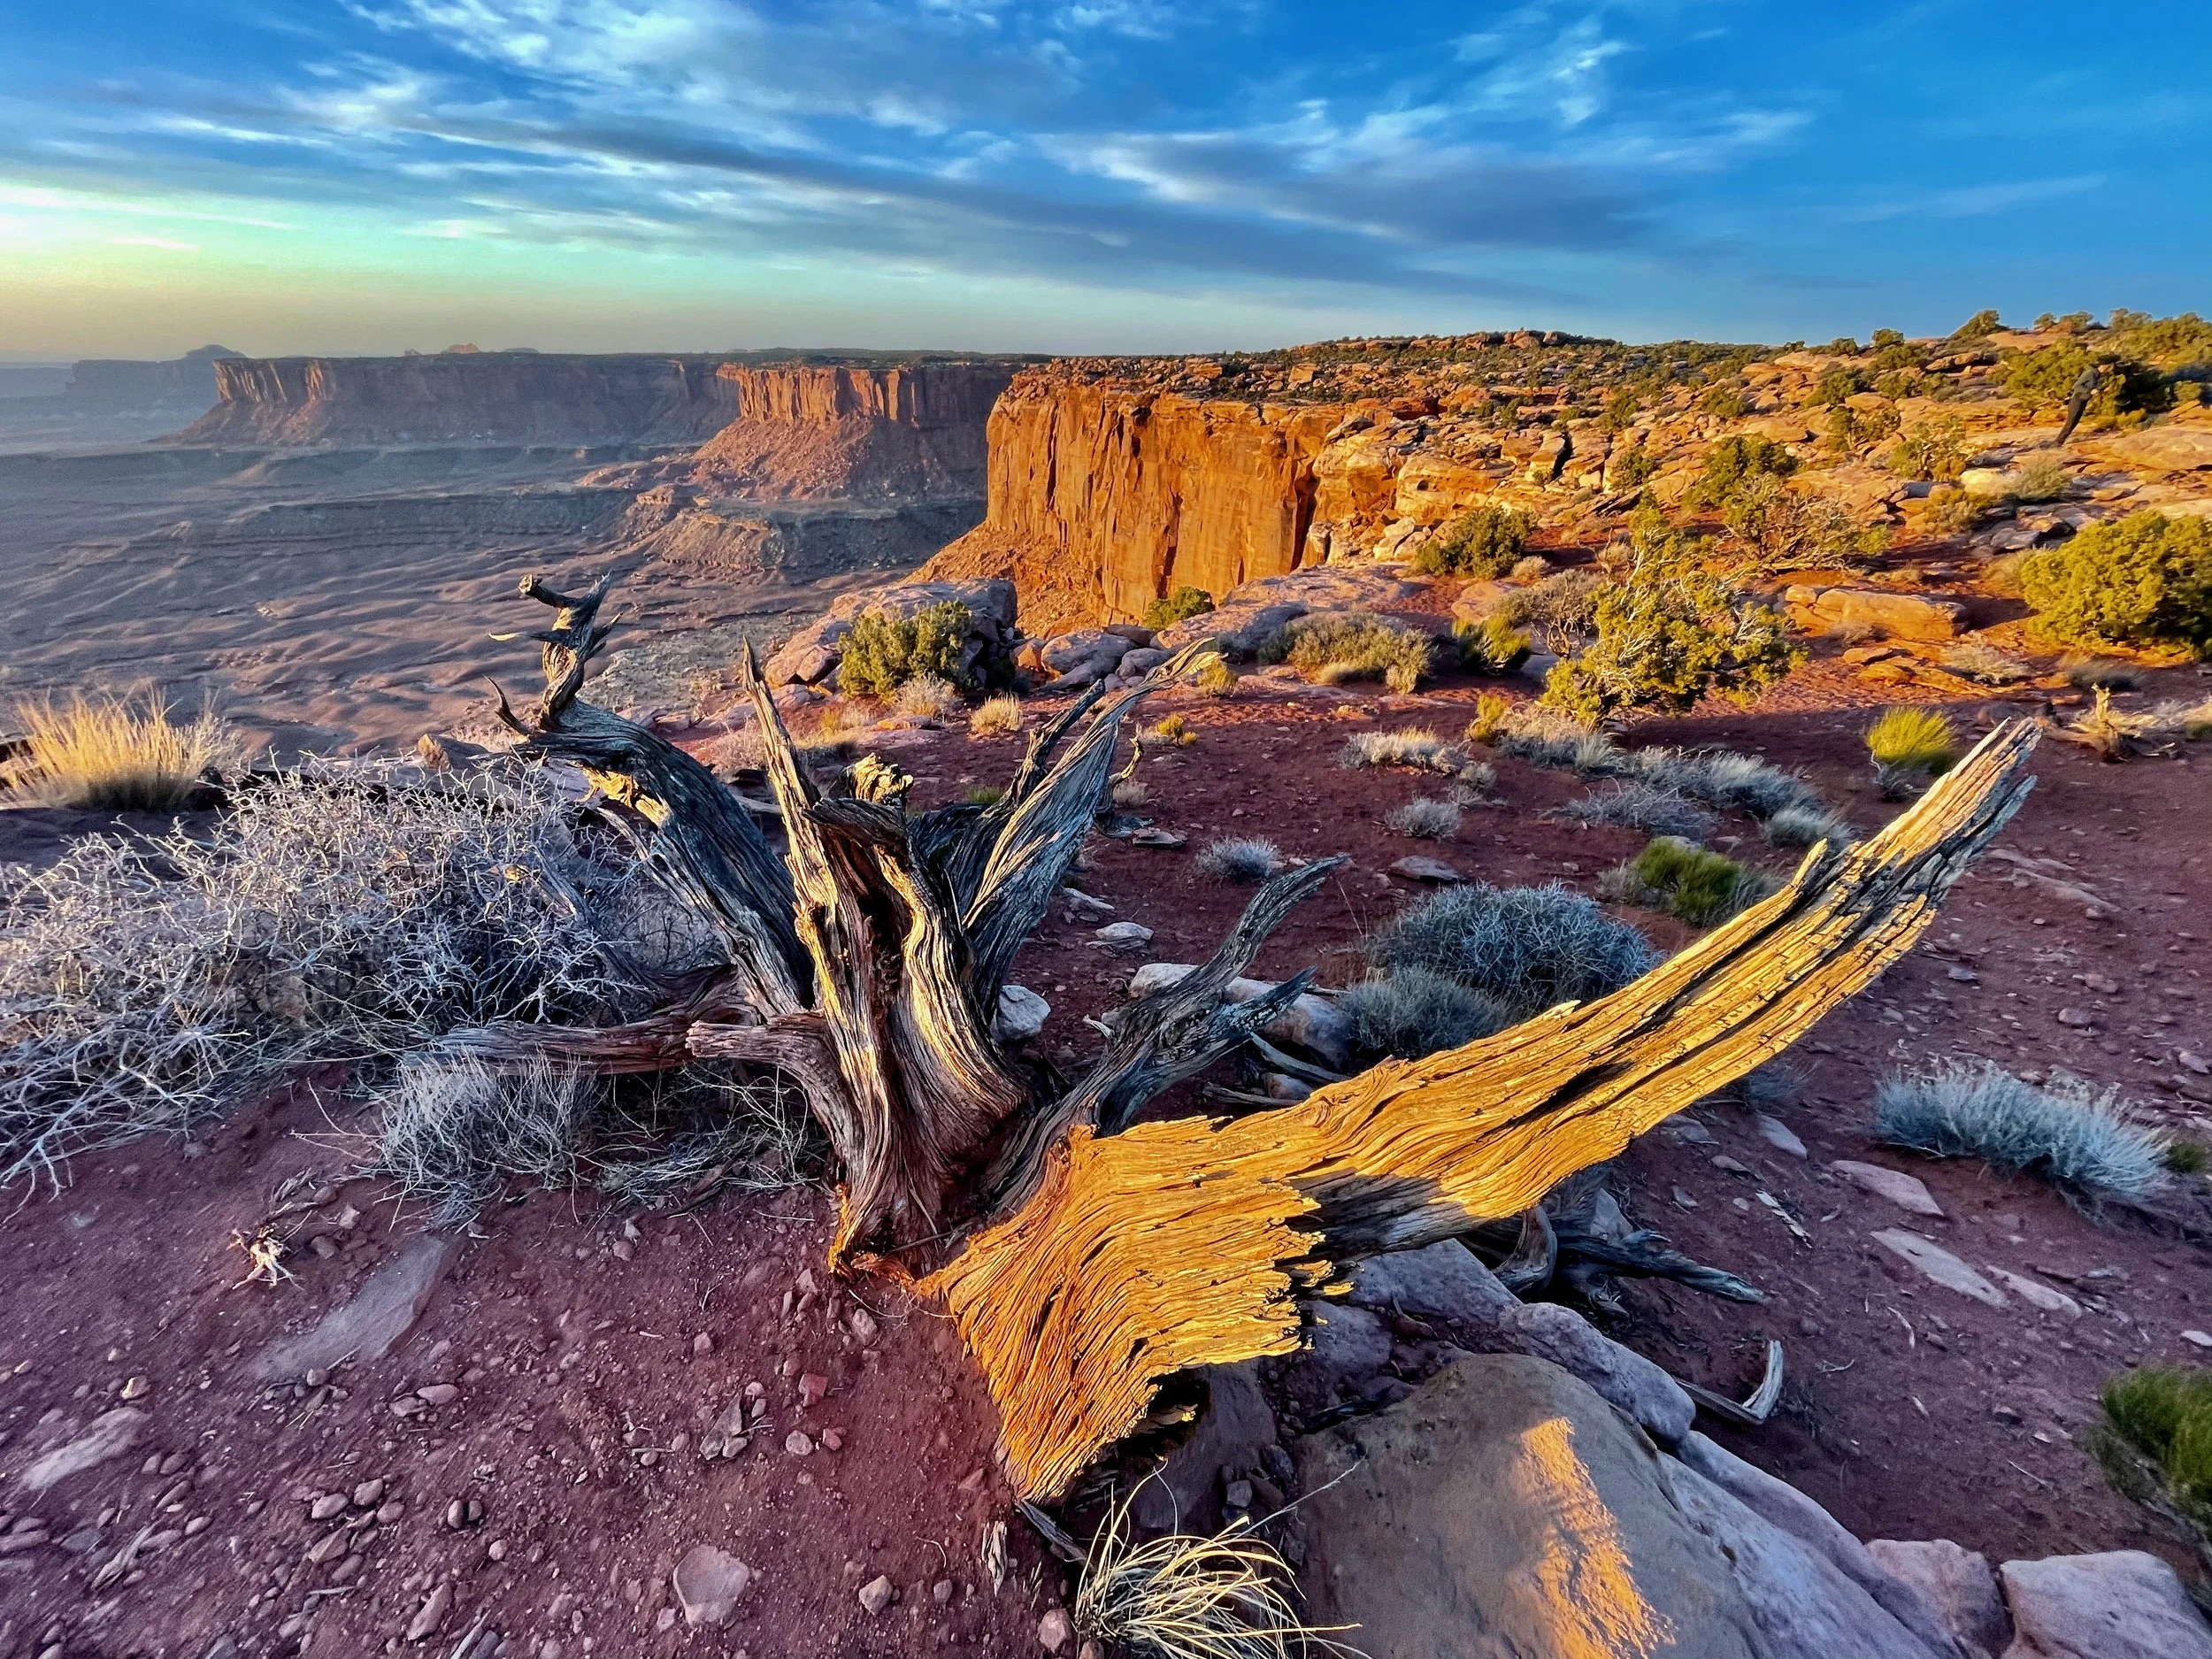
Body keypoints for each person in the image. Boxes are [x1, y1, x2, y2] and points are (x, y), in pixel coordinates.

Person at [2056, 363, 2101, 445]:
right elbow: (2076, 386)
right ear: (2103, 365)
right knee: (2071, 422)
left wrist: (2102, 389)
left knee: (2074, 422)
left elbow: (2093, 388)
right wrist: (2089, 391)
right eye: (2110, 365)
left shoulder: (2098, 375)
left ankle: (2060, 441)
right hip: (2077, 400)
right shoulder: (2090, 373)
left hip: (2083, 401)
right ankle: (2058, 442)